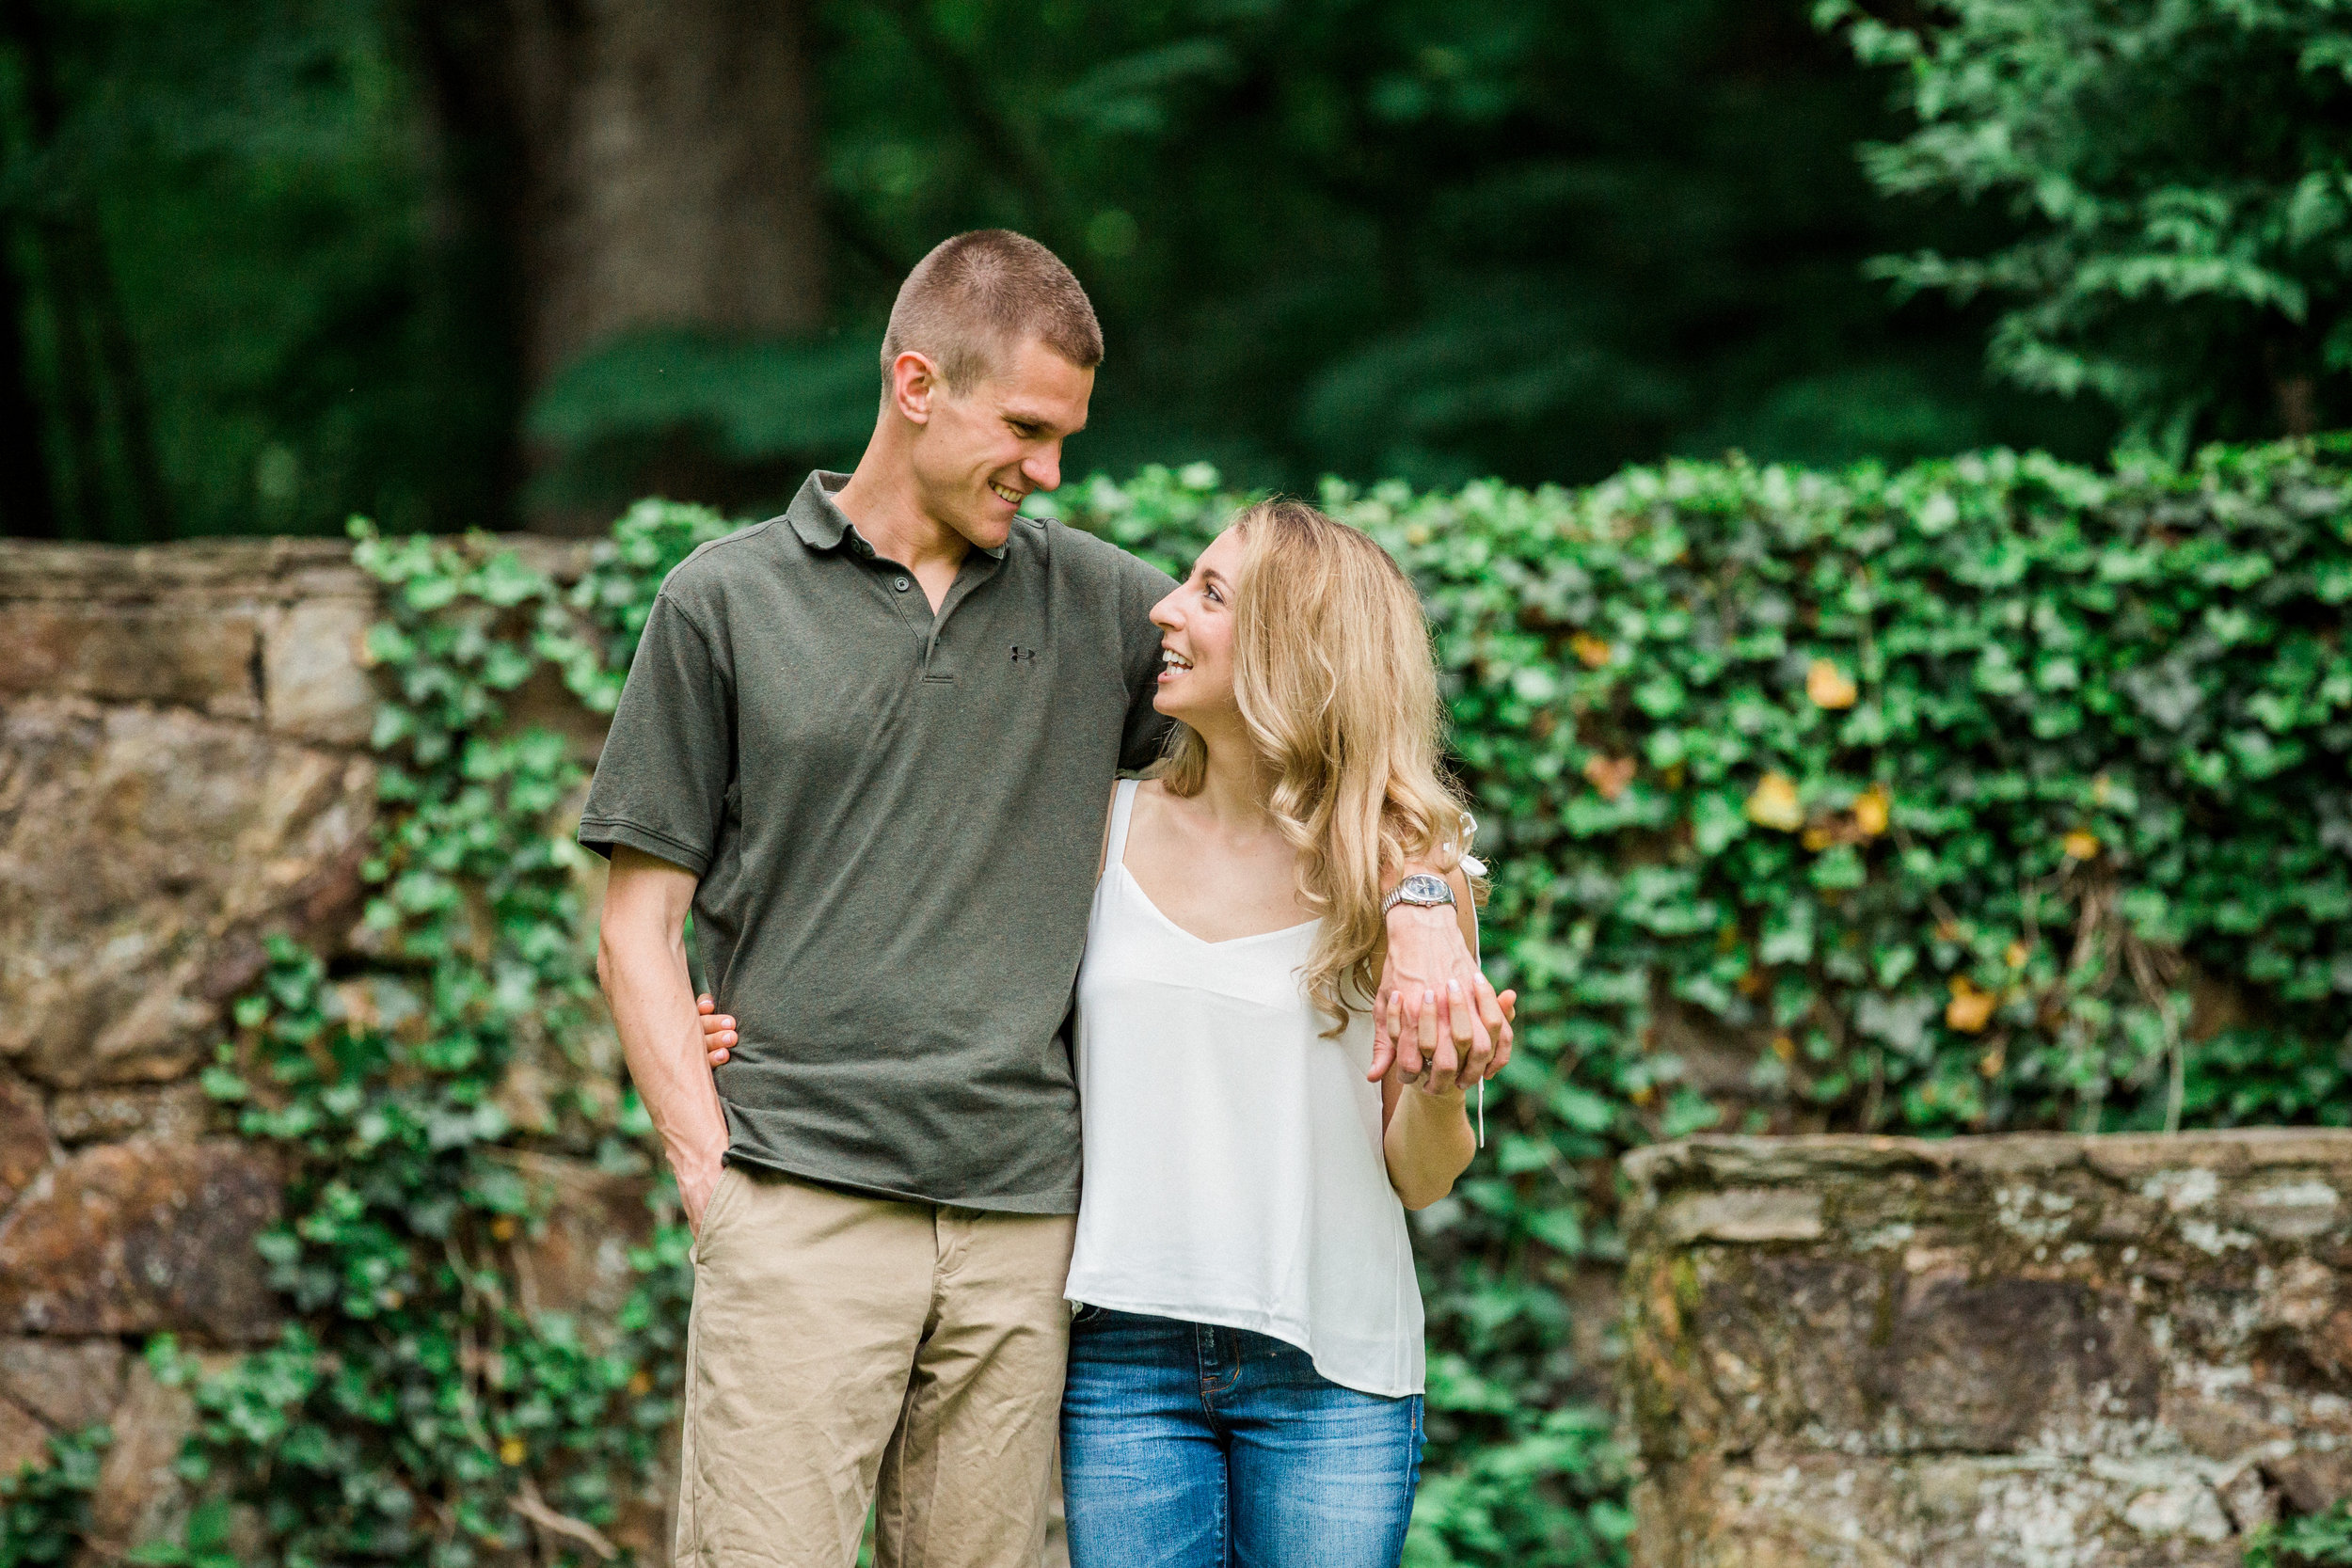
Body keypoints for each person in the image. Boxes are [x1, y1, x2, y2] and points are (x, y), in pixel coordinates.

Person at [584, 230, 1510, 1568]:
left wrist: (1426, 902)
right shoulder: (721, 601)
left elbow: (1341, 728)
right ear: (916, 383)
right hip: (800, 1194)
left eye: (1067, 435)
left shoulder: (1103, 606)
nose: (1051, 469)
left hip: (1027, 1230)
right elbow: (637, 926)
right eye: (1024, 425)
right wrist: (704, 1165)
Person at [700, 500, 1514, 1567]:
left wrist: (1443, 1082)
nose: (1163, 610)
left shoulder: (1411, 883)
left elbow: (1424, 1174)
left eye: (1210, 595)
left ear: (1293, 648)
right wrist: (766, 1016)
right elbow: (944, 952)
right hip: (1126, 1361)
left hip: (1335, 1372)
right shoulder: (1099, 829)